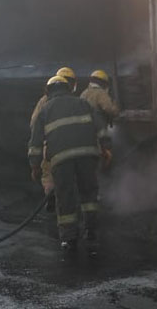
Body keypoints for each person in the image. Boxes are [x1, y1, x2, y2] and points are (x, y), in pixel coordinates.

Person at [29, 75, 103, 254]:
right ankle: (91, 231)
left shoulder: (45, 109)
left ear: (48, 91)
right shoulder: (83, 103)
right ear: (69, 88)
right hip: (87, 155)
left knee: (65, 197)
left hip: (61, 160)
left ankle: (69, 239)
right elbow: (100, 127)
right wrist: (106, 149)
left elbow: (36, 142)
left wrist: (35, 166)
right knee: (89, 194)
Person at [29, 67, 77, 211]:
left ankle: (52, 203)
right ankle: (60, 204)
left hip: (48, 147)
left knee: (49, 176)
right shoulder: (73, 101)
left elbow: (33, 124)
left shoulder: (43, 101)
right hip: (65, 146)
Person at [80, 69, 119, 168]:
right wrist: (116, 107)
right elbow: (110, 109)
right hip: (98, 134)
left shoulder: (83, 94)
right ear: (103, 83)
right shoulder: (100, 93)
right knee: (102, 159)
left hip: (84, 135)